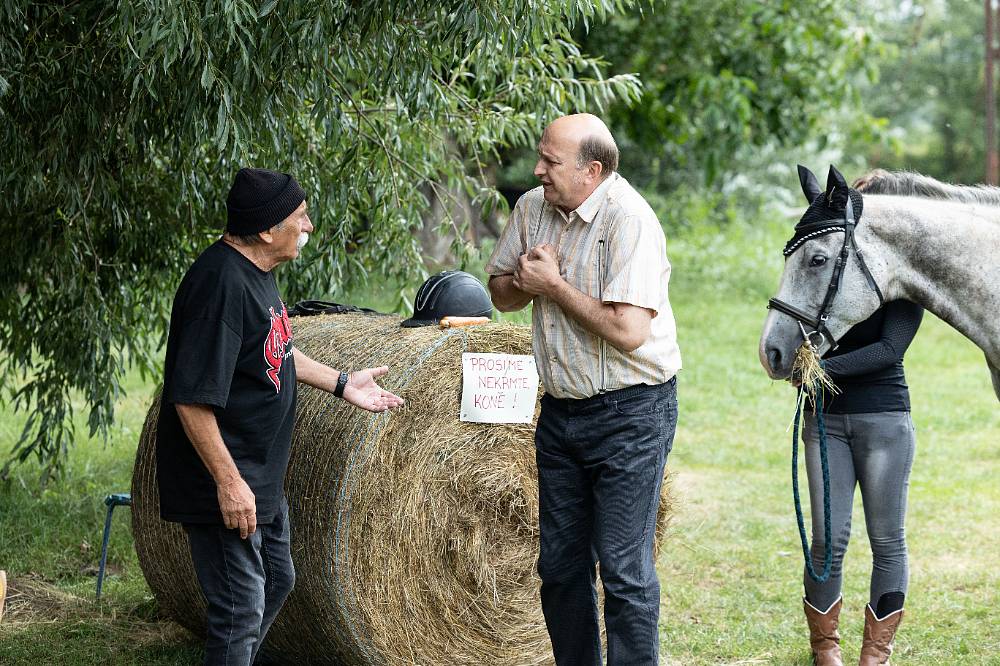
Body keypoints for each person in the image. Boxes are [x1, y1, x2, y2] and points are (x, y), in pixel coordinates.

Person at [155, 168, 404, 666]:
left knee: (277, 580)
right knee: (239, 609)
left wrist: (341, 381)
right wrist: (229, 484)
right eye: (300, 217)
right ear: (267, 230)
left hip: (259, 474)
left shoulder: (257, 274)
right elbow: (190, 399)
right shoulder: (220, 287)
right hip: (225, 481)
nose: (309, 225)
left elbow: (275, 351)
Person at [485, 113, 681, 666]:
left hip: (632, 412)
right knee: (560, 567)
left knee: (623, 568)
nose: (537, 170)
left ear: (591, 171)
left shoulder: (630, 220)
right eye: (541, 157)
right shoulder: (530, 209)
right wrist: (524, 282)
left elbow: (628, 330)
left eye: (551, 161)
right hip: (560, 414)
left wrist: (554, 285)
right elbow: (500, 293)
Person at [797, 297, 923, 666]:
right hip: (823, 423)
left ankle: (876, 652)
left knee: (887, 540)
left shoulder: (904, 289)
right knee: (826, 541)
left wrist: (817, 367)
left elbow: (887, 350)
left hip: (884, 420)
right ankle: (825, 647)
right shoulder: (824, 281)